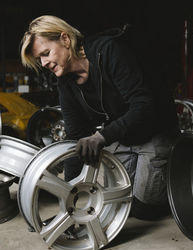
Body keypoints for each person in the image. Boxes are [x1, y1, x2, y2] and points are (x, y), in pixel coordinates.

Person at [20, 15, 180, 220]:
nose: (43, 63)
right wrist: (69, 192)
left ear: (65, 40)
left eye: (46, 53)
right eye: (39, 59)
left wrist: (101, 137)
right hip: (124, 137)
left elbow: (143, 105)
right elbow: (75, 135)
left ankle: (175, 176)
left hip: (155, 132)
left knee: (143, 208)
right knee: (120, 200)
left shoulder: (109, 51)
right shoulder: (65, 83)